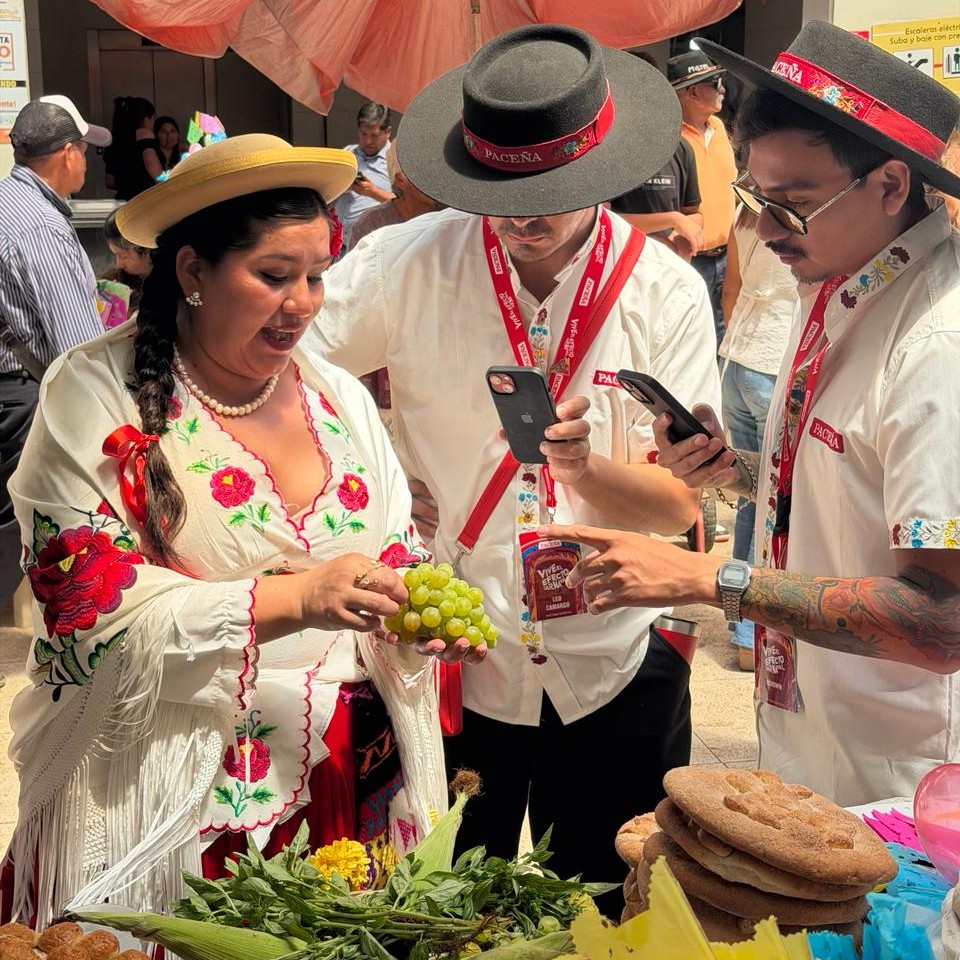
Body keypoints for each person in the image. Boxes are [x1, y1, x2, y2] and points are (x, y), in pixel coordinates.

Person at [2, 134, 482, 927]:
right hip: (174, 805)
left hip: (349, 787)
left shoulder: (339, 398)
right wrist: (299, 597)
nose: (304, 304)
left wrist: (414, 608)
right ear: (192, 271)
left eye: (319, 277)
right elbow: (85, 610)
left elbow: (395, 544)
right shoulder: (91, 394)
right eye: (274, 276)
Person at [303, 24, 721, 910]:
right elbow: (290, 369)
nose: (523, 220)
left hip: (612, 658)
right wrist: (366, 467)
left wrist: (590, 471)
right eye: (502, 196)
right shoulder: (408, 261)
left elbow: (676, 501)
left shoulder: (663, 290)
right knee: (445, 907)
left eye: (550, 196)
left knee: (611, 906)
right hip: (457, 649)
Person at [540, 21, 960, 808]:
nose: (765, 232)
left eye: (793, 206)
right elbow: (854, 489)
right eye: (756, 199)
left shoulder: (939, 346)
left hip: (902, 779)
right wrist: (734, 470)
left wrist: (709, 577)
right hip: (818, 738)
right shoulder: (846, 278)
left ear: (891, 186)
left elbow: (943, 620)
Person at [0, 95, 110, 619]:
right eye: (84, 151)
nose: (87, 163)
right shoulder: (42, 227)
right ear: (67, 153)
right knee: (40, 525)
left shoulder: (7, 201)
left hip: (9, 389)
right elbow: (76, 348)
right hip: (23, 395)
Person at [718, 206, 797, 670]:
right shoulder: (796, 220)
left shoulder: (744, 216)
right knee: (772, 500)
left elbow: (731, 290)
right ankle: (750, 632)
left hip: (739, 360)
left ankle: (736, 620)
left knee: (750, 496)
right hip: (774, 363)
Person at [668, 51, 737, 346]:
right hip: (689, 259)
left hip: (728, 255)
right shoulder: (669, 137)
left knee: (724, 336)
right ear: (694, 91)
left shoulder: (720, 128)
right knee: (689, 338)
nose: (723, 89)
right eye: (716, 82)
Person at [609, 52, 704, 261]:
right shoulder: (608, 150)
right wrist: (673, 219)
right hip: (618, 265)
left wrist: (682, 235)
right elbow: (602, 220)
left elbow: (693, 214)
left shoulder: (680, 147)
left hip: (669, 266)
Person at [348, 142, 439, 251]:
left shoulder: (455, 215)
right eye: (425, 173)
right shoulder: (371, 224)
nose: (437, 179)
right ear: (401, 180)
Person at [331, 102, 395, 248]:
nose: (367, 141)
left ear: (388, 131)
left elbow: (409, 203)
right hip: (340, 245)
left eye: (374, 135)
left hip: (374, 246)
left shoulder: (396, 159)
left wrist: (372, 192)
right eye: (363, 134)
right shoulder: (348, 153)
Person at [98, 207, 152, 325]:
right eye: (115, 255)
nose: (119, 264)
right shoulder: (111, 284)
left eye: (122, 256)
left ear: (146, 251)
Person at [103, 96, 159, 200]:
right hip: (144, 200)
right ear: (146, 119)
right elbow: (155, 170)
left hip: (122, 201)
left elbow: (109, 181)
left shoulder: (114, 140)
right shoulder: (144, 134)